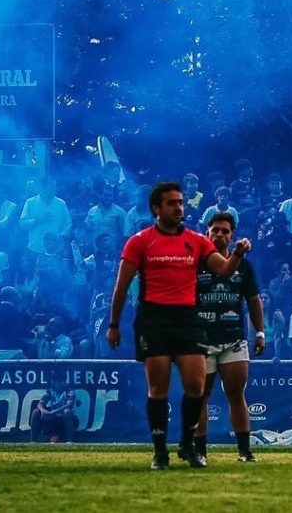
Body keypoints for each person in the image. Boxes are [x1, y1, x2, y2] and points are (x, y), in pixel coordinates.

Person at [106, 181, 251, 470]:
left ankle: (187, 444)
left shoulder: (197, 241)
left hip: (188, 319)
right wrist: (114, 324)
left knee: (196, 386)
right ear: (156, 209)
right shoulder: (139, 241)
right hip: (154, 319)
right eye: (172, 203)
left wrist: (237, 253)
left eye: (181, 202)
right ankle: (160, 452)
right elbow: (121, 286)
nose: (179, 208)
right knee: (158, 388)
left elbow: (222, 270)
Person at [193, 213, 265, 464]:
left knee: (236, 393)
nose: (220, 235)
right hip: (201, 340)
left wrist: (260, 331)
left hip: (234, 338)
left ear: (232, 234)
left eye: (225, 231)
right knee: (201, 396)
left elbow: (254, 300)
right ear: (207, 233)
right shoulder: (196, 262)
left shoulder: (243, 265)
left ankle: (245, 451)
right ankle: (200, 451)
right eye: (215, 230)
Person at [29, 377, 76, 443]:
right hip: (52, 417)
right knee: (35, 412)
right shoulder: (50, 391)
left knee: (67, 412)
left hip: (66, 417)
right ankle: (33, 441)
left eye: (62, 381)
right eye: (58, 382)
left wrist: (55, 411)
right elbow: (40, 404)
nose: (60, 384)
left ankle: (69, 441)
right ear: (54, 383)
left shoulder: (69, 391)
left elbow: (69, 404)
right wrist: (44, 411)